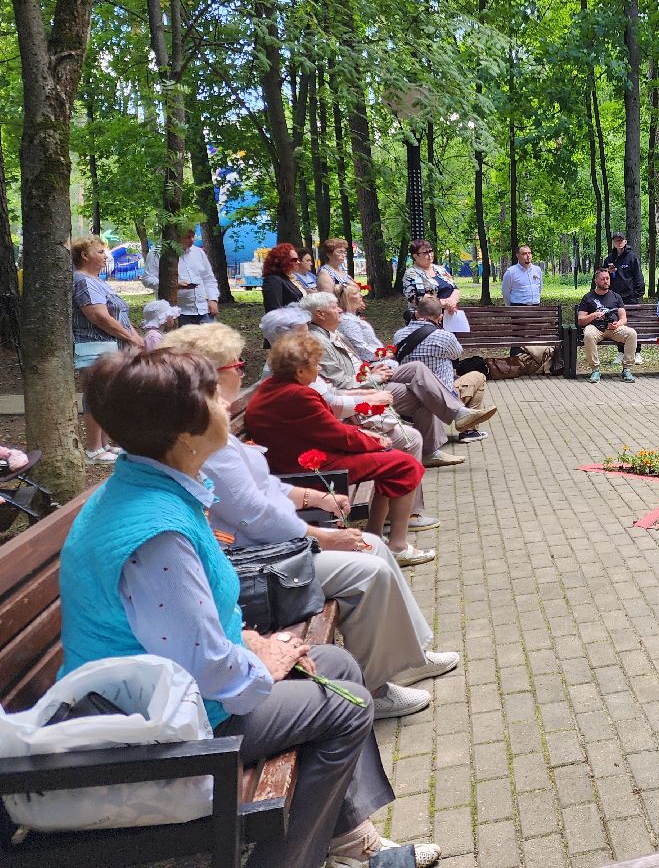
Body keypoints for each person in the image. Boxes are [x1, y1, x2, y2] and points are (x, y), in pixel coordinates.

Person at [59, 348, 439, 868]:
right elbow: (209, 669)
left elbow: (186, 627)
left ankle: (349, 841)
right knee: (348, 705)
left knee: (335, 665)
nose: (226, 404)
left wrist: (256, 642)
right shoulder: (158, 533)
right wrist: (263, 661)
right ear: (186, 431)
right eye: (212, 396)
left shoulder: (153, 489)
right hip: (159, 727)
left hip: (164, 697)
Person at [160, 323, 459, 722]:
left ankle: (411, 656)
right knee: (368, 567)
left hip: (268, 547)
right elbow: (256, 515)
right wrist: (323, 536)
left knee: (374, 547)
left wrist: (313, 498)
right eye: (237, 364)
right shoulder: (205, 442)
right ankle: (377, 686)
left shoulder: (213, 432)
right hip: (262, 559)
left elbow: (264, 487)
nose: (244, 370)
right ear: (212, 376)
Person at [244, 331, 433, 567]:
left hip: (298, 460)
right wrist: (374, 441)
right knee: (405, 464)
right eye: (316, 365)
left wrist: (369, 438)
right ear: (300, 371)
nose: (318, 370)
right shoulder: (297, 395)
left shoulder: (273, 388)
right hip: (309, 469)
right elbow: (336, 435)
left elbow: (327, 429)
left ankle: (374, 535)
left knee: (391, 460)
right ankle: (398, 546)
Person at [300, 292, 490, 468]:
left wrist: (372, 369)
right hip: (360, 391)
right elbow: (340, 383)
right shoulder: (319, 341)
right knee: (425, 392)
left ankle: (448, 427)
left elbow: (354, 366)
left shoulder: (335, 334)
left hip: (369, 378)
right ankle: (442, 435)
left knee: (418, 370)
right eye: (334, 307)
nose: (340, 309)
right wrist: (374, 376)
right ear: (320, 314)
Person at [71, 235, 144, 464]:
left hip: (110, 346)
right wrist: (130, 337)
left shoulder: (97, 280)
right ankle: (93, 449)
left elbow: (118, 314)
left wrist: (134, 336)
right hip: (95, 347)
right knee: (96, 395)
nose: (106, 256)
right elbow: (99, 316)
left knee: (106, 395)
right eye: (101, 252)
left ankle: (104, 444)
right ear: (85, 255)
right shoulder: (82, 280)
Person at [395, 296, 491, 412]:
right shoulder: (445, 336)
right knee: (478, 377)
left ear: (416, 313)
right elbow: (456, 355)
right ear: (440, 317)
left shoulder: (399, 335)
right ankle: (469, 421)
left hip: (411, 397)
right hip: (441, 398)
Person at [578, 269, 637, 383]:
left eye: (607, 278)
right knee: (588, 334)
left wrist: (617, 324)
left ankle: (626, 369)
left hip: (613, 328)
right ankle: (595, 370)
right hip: (595, 328)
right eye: (603, 279)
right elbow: (581, 320)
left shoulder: (616, 296)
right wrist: (593, 315)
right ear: (596, 281)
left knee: (631, 333)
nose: (606, 281)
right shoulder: (588, 297)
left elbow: (623, 318)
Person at [402, 240, 459, 321]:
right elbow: (416, 298)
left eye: (431, 251)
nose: (430, 255)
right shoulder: (411, 273)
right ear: (415, 256)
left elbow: (455, 288)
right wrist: (443, 303)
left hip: (449, 317)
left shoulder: (440, 269)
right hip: (426, 319)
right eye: (425, 253)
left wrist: (452, 301)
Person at [602, 232, 644, 306]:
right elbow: (602, 275)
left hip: (630, 296)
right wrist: (608, 271)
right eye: (616, 241)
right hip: (613, 296)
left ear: (625, 241)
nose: (618, 242)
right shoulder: (609, 258)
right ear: (613, 243)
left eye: (620, 240)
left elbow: (638, 275)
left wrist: (637, 293)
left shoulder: (632, 257)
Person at [261, 242, 305, 312]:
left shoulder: (288, 278)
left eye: (298, 259)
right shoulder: (273, 280)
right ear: (283, 261)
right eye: (294, 260)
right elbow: (274, 309)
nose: (298, 262)